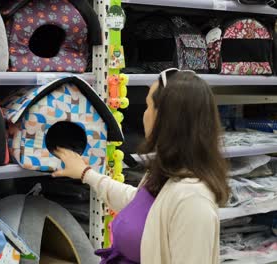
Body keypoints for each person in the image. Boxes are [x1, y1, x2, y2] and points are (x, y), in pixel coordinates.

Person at [52, 69, 229, 264]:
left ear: (166, 119)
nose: (144, 115)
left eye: (148, 107)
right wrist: (87, 174)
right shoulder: (167, 173)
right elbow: (136, 202)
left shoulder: (193, 201)